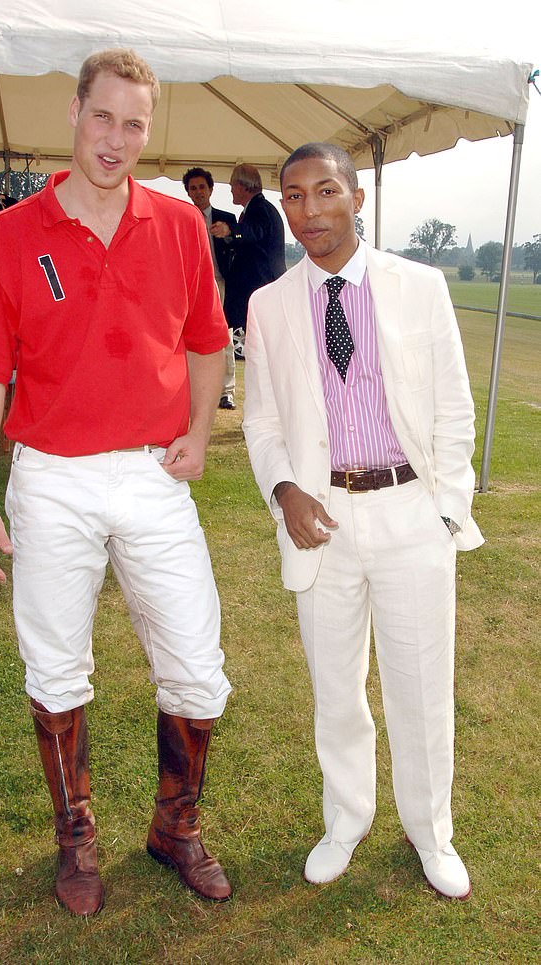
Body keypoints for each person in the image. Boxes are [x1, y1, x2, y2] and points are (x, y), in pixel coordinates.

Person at [0, 48, 233, 916]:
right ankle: (76, 838)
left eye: (135, 124)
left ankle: (173, 827)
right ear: (74, 113)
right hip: (51, 479)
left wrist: (196, 432)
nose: (116, 139)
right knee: (56, 666)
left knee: (197, 665)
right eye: (103, 117)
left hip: (152, 477)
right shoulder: (9, 234)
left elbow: (207, 338)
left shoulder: (181, 224)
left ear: (151, 131)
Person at [242, 142, 483, 900]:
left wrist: (443, 510)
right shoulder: (269, 303)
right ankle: (346, 818)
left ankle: (429, 831)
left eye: (325, 192)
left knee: (419, 686)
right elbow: (262, 421)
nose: (309, 211)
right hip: (324, 520)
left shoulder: (420, 286)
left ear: (357, 197)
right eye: (294, 196)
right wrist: (284, 490)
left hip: (411, 510)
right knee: (336, 689)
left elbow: (452, 407)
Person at [211, 163, 286, 348]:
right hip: (257, 286)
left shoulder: (260, 209)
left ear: (243, 185)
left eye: (232, 186)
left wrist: (230, 230)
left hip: (259, 286)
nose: (230, 191)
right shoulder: (257, 209)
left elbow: (254, 231)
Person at [182, 166, 238, 409]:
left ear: (211, 189)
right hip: (189, 286)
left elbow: (240, 245)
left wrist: (226, 236)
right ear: (188, 192)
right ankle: (191, 390)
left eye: (202, 187)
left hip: (220, 283)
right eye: (193, 188)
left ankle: (227, 392)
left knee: (223, 336)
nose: (198, 192)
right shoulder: (181, 217)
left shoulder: (227, 218)